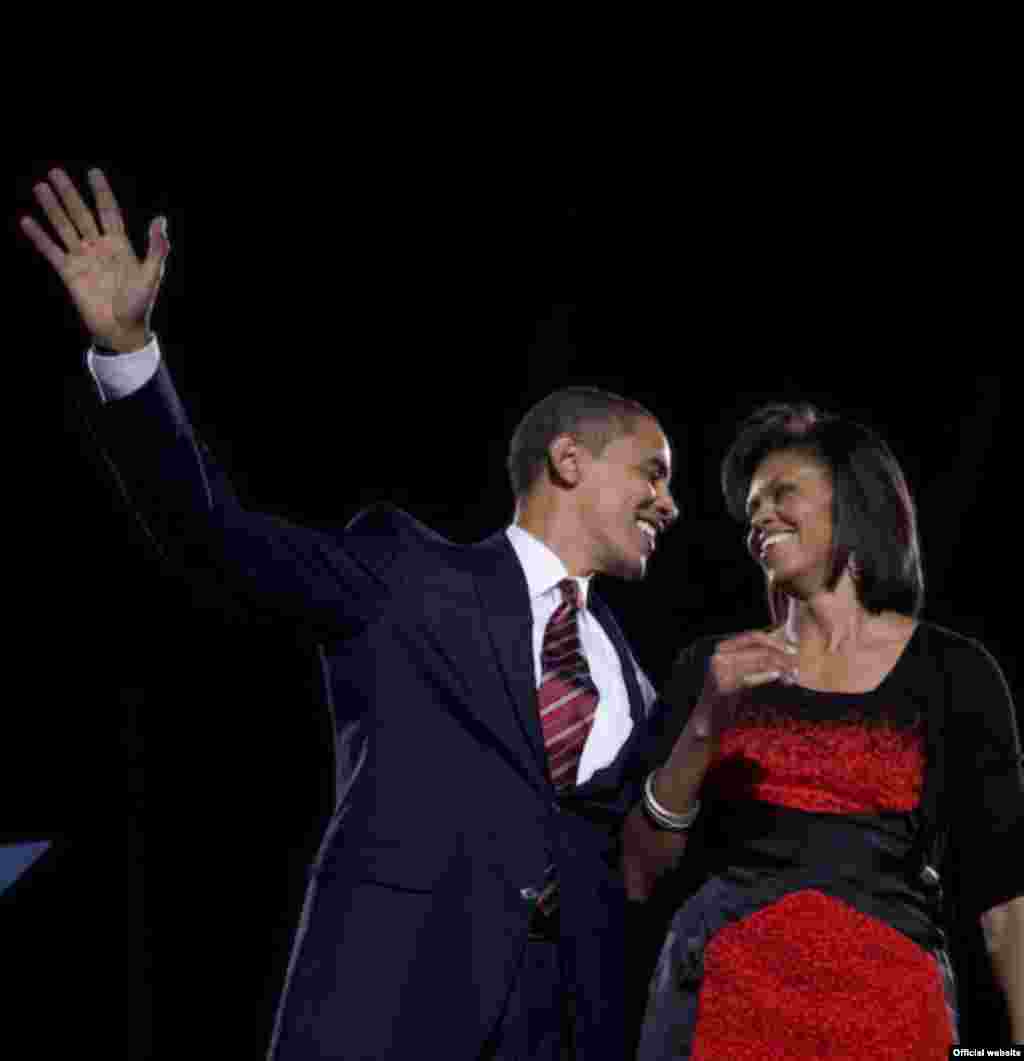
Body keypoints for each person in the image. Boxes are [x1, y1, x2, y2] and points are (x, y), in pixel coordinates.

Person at [25, 167, 737, 1060]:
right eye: (653, 471)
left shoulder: (633, 675)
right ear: (567, 459)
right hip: (389, 1012)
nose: (669, 504)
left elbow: (636, 867)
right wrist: (129, 354)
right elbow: (214, 537)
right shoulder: (407, 573)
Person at [621, 402, 1024, 1058]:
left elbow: (1004, 900)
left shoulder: (956, 670)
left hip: (891, 1013)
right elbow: (639, 872)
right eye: (752, 506)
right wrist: (704, 724)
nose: (759, 517)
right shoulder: (710, 668)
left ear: (858, 505)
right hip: (719, 1009)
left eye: (783, 493)